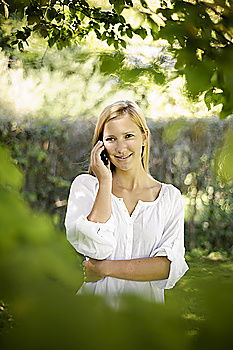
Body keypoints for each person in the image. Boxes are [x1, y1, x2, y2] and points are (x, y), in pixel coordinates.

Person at [65, 100, 189, 307]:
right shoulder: (87, 187)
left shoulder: (169, 197)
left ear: (144, 137)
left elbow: (167, 268)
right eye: (111, 139)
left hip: (146, 318)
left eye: (128, 136)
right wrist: (105, 181)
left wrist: (104, 269)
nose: (121, 148)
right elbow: (95, 248)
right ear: (101, 145)